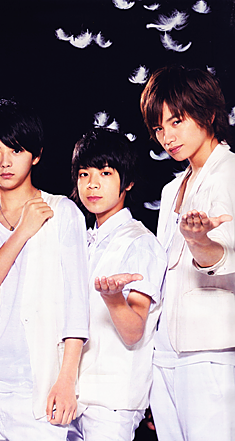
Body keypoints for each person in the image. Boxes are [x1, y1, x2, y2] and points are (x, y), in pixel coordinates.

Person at [0, 99, 89, 440]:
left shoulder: (63, 212)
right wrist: (22, 232)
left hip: (41, 389)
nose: (5, 162)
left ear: (36, 154)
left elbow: (77, 303)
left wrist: (66, 380)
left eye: (15, 150)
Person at [140, 65, 235, 441]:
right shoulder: (171, 190)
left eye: (176, 121)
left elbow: (226, 255)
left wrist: (201, 243)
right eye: (159, 128)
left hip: (210, 350)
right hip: (165, 353)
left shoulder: (229, 172)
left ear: (207, 113)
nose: (167, 137)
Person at [67, 128, 167, 441]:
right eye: (84, 174)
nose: (92, 184)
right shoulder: (81, 240)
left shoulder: (140, 244)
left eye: (105, 173)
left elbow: (134, 330)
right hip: (72, 393)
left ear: (128, 181)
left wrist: (113, 299)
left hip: (112, 401)